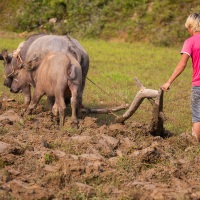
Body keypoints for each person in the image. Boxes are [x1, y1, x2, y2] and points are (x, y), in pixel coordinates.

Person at [161, 13, 200, 142]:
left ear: (191, 26)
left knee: (197, 117)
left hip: (198, 86)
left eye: (187, 27)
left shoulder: (190, 42)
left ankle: (195, 148)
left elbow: (182, 65)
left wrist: (168, 82)